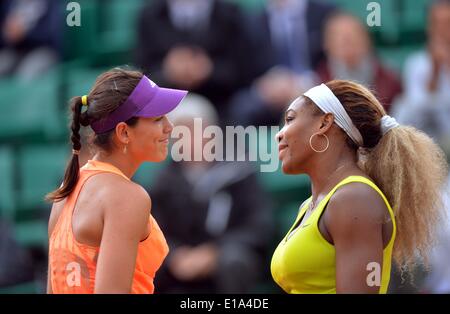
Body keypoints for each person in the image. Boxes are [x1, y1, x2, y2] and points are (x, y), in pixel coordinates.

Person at [271, 80, 448, 293]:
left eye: (290, 119)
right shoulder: (311, 204)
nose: (279, 134)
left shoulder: (354, 200)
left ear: (324, 123)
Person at [46, 68, 187, 294]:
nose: (169, 127)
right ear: (124, 133)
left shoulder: (67, 188)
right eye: (158, 118)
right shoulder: (126, 197)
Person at [150, 94, 273, 293]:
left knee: (234, 260)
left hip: (227, 255)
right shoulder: (163, 180)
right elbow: (156, 228)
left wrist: (214, 252)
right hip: (182, 261)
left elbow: (257, 224)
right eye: (180, 132)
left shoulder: (239, 171)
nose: (187, 138)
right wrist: (176, 256)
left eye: (193, 129)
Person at [227, 0, 336, 127]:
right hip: (271, 92)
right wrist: (264, 85)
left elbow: (334, 58)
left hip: (316, 85)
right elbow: (244, 68)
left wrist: (304, 82)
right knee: (241, 106)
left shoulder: (325, 14)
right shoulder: (253, 21)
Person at [392, 0, 450, 158]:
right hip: (432, 150)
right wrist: (435, 72)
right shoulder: (416, 64)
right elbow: (415, 117)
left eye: (448, 24)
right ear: (430, 28)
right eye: (438, 24)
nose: (444, 31)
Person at [317, 13, 402, 113]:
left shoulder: (390, 78)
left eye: (354, 34)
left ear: (367, 39)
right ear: (326, 44)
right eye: (338, 36)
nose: (347, 40)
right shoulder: (316, 84)